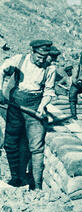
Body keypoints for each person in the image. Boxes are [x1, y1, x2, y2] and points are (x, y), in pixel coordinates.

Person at [0, 40, 56, 190]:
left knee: (36, 146)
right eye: (39, 57)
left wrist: (42, 106)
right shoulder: (19, 60)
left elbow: (49, 91)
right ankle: (16, 178)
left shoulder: (50, 68)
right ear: (32, 52)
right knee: (11, 143)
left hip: (34, 107)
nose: (41, 60)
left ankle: (36, 185)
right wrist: (0, 90)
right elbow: (2, 69)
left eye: (44, 57)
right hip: (15, 106)